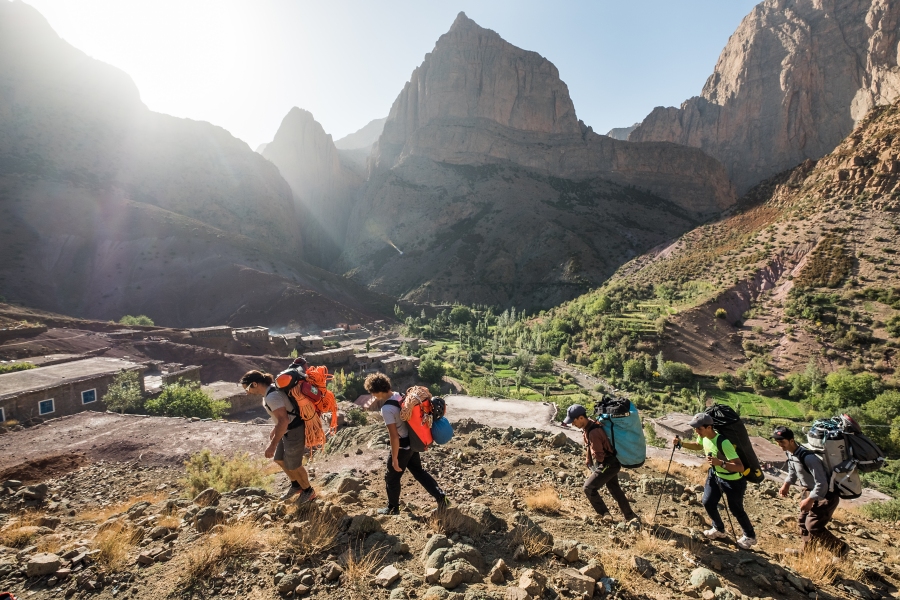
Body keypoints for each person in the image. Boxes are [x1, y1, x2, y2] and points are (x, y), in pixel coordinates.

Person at [364, 373, 448, 515]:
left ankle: (392, 508)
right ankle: (442, 498)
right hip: (413, 442)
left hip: (403, 447)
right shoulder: (400, 395)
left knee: (391, 478)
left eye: (372, 393)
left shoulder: (386, 409)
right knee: (419, 472)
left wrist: (395, 458)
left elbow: (394, 436)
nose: (372, 395)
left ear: (377, 392)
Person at [676, 413, 757, 549]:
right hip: (715, 474)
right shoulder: (704, 436)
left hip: (733, 481)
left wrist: (721, 463)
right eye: (695, 428)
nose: (696, 431)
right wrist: (681, 444)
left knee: (736, 510)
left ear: (709, 427)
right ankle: (718, 529)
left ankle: (750, 536)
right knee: (708, 502)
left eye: (699, 428)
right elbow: (698, 445)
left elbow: (740, 467)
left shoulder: (723, 443)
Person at [239, 370, 316, 503]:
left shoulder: (271, 397)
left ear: (255, 384)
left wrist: (273, 444)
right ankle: (296, 485)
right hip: (286, 429)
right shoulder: (269, 393)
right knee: (279, 459)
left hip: (294, 429)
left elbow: (284, 420)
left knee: (294, 465)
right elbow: (283, 414)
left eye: (247, 388)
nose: (247, 392)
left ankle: (309, 492)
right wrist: (276, 428)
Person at [774, 426, 848, 556]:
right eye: (778, 442)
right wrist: (786, 484)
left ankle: (840, 550)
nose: (780, 445)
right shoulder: (790, 453)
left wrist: (810, 499)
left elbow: (822, 483)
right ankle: (806, 551)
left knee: (813, 526)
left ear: (792, 441)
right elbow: (793, 471)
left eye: (782, 442)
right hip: (809, 492)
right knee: (803, 521)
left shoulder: (809, 458)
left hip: (825, 495)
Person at [564, 404, 637, 523]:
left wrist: (595, 459)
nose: (573, 424)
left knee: (588, 487)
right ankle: (630, 516)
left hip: (608, 463)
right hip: (612, 462)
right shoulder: (590, 425)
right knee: (614, 489)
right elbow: (589, 444)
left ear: (581, 418)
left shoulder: (594, 432)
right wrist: (589, 457)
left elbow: (600, 456)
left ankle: (605, 514)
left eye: (574, 421)